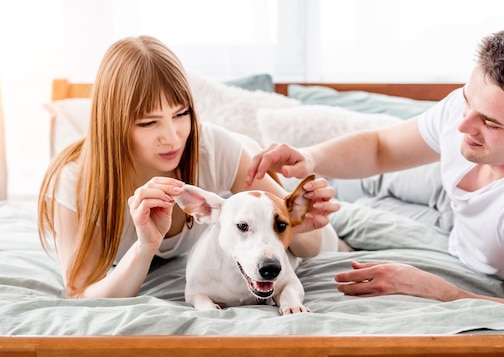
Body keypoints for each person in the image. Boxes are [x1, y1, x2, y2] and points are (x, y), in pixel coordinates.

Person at [246, 26, 504, 303]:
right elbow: (381, 148)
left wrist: (434, 289)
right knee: (360, 187)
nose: (461, 126)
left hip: (468, 233)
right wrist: (311, 157)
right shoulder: (468, 112)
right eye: (466, 100)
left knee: (348, 210)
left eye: (490, 123)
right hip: (452, 218)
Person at [37, 35, 340, 299]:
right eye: (149, 122)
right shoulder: (75, 179)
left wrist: (300, 222)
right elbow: (81, 294)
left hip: (238, 155)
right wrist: (145, 246)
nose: (172, 138)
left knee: (335, 234)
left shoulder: (212, 148)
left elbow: (311, 246)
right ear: (113, 124)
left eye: (181, 114)